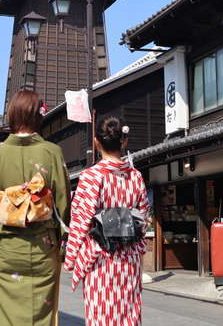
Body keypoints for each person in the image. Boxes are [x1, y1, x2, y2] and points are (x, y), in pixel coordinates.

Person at [0, 90, 71, 326]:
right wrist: (61, 248)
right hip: (43, 248)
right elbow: (63, 204)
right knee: (42, 314)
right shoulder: (52, 152)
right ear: (38, 116)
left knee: (5, 316)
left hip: (7, 249)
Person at [64, 117, 150, 326]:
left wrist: (71, 258)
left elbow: (80, 221)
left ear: (96, 142)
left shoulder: (91, 176)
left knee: (102, 313)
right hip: (129, 258)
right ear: (124, 142)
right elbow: (144, 217)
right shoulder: (135, 176)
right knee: (129, 314)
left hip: (101, 256)